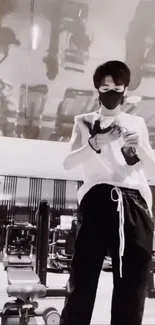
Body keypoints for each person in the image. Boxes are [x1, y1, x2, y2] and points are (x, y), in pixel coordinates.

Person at [59, 60, 155, 325]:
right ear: (97, 89)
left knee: (133, 283)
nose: (111, 92)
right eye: (105, 87)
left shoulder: (136, 122)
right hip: (97, 199)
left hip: (133, 204)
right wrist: (94, 143)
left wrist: (141, 149)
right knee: (82, 278)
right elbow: (67, 163)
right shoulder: (84, 121)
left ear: (125, 89)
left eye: (117, 87)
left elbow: (152, 169)